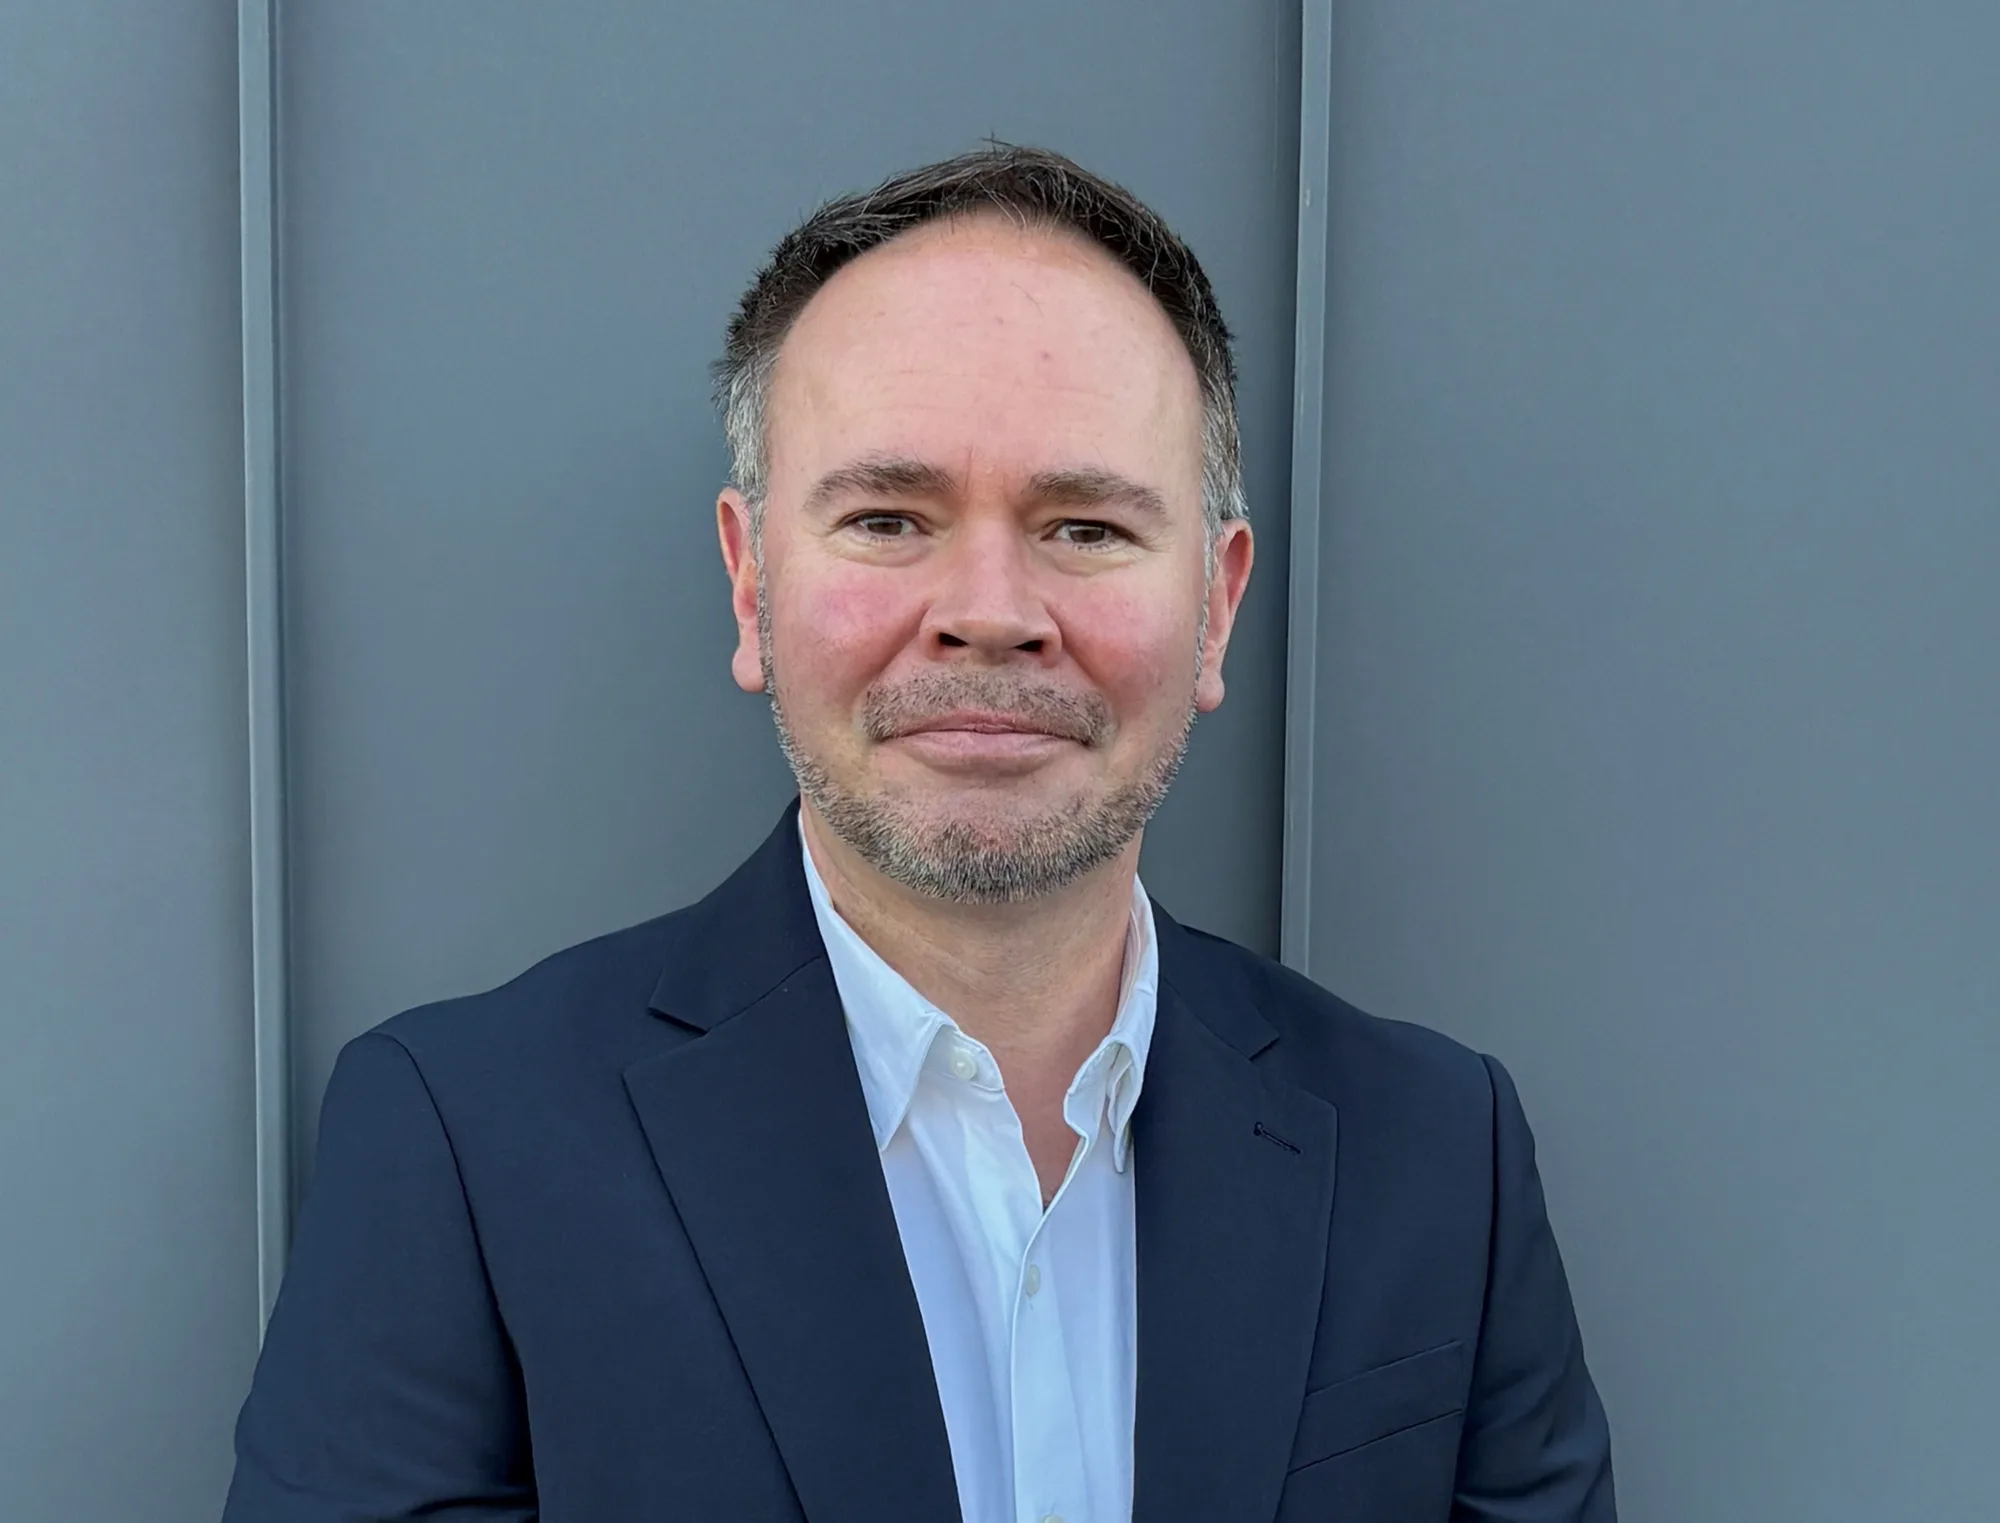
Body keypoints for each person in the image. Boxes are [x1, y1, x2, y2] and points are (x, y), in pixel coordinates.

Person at [222, 144, 1615, 1523]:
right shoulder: (466, 1145)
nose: (991, 607)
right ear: (752, 583)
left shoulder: (1438, 1158)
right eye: (889, 517)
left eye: (1085, 527)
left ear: (1219, 604)